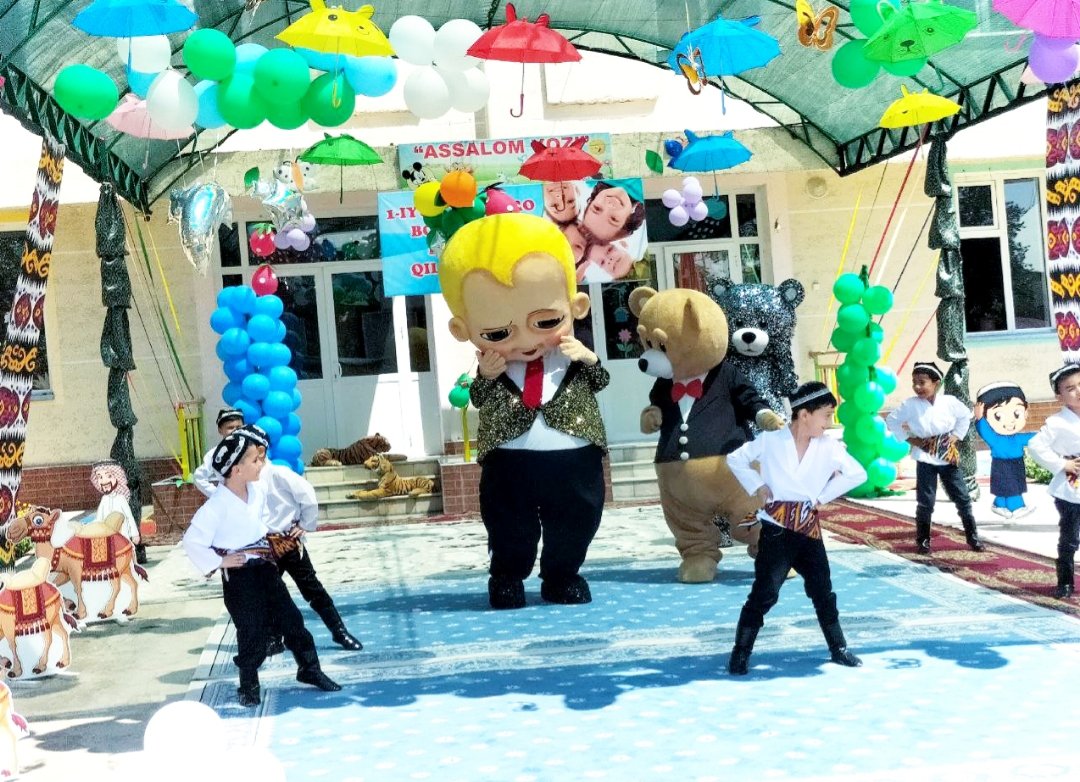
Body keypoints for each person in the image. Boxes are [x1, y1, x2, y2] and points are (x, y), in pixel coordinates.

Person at [439, 212, 609, 610]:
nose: (525, 340)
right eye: (498, 332)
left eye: (546, 321)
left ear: (576, 306)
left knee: (576, 519)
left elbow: (600, 383)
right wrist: (485, 374)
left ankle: (562, 575)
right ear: (463, 330)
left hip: (575, 458)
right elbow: (479, 398)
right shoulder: (493, 366)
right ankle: (507, 577)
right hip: (509, 460)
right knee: (508, 523)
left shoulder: (571, 355)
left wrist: (590, 360)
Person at [181, 426, 341, 706]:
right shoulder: (216, 507)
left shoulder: (257, 490)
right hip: (238, 576)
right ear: (236, 470)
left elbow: (271, 514)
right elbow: (192, 541)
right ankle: (248, 684)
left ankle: (309, 669)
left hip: (265, 567)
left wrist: (294, 526)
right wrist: (220, 561)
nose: (261, 464)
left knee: (291, 619)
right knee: (251, 630)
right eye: (255, 460)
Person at [725, 382, 866, 675]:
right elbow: (735, 458)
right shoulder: (770, 441)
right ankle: (741, 651)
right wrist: (758, 485)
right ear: (804, 414)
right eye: (826, 415)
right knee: (765, 592)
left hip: (808, 529)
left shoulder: (829, 446)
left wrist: (821, 497)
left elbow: (857, 474)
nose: (829, 423)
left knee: (822, 590)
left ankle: (838, 647)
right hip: (776, 529)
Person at [885, 361, 984, 555]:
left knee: (962, 498)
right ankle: (923, 540)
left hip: (947, 456)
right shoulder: (910, 404)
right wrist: (911, 439)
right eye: (914, 382)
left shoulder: (949, 402)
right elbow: (892, 420)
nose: (917, 387)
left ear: (936, 383)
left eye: (922, 382)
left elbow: (965, 416)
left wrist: (956, 436)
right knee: (926, 501)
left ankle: (973, 537)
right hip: (925, 457)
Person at [1026, 364, 1080, 599]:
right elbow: (1035, 446)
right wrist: (1061, 464)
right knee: (1070, 537)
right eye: (1070, 388)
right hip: (1071, 487)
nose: (1078, 391)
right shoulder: (1057, 422)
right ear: (1060, 396)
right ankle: (1065, 581)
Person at [974, 382, 1036, 519]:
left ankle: (999, 504)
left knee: (1008, 488)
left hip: (1017, 464)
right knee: (1011, 488)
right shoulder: (994, 439)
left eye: (1016, 413)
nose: (1010, 421)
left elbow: (1033, 437)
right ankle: (1017, 507)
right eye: (998, 415)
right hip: (1001, 465)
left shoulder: (1017, 438)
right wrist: (979, 419)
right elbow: (984, 431)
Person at [192, 407, 245, 496]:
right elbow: (198, 477)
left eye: (239, 427)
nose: (235, 431)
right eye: (230, 427)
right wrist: (217, 494)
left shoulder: (252, 449)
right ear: (220, 430)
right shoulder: (215, 453)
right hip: (229, 501)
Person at [88, 460, 141, 546]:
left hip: (122, 538)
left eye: (109, 476)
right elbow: (99, 519)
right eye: (100, 477)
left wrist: (135, 534)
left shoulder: (121, 499)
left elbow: (129, 517)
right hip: (107, 538)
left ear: (116, 477)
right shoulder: (104, 499)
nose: (104, 481)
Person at [579, 181, 645, 245]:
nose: (609, 206)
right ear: (629, 218)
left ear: (593, 201)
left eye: (597, 208)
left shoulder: (592, 178)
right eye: (613, 219)